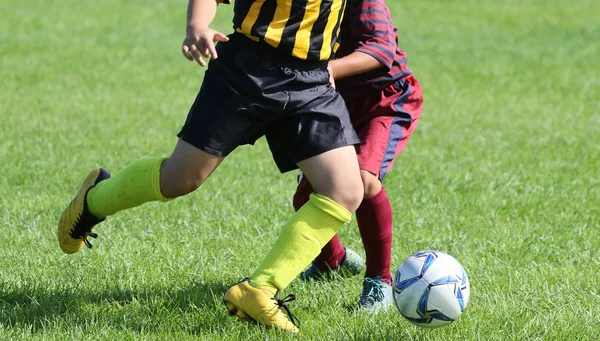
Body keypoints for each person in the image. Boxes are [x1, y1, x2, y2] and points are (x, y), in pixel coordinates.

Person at [57, 0, 366, 333]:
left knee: (344, 190)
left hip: (313, 80)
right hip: (248, 70)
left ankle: (260, 289)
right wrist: (197, 26)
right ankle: (93, 201)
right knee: (181, 178)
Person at [292, 0, 424, 312]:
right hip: (335, 104)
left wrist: (327, 69)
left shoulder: (363, 3)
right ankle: (331, 262)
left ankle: (379, 281)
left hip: (386, 101)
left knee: (364, 181)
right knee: (306, 195)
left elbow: (381, 50)